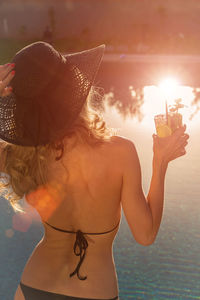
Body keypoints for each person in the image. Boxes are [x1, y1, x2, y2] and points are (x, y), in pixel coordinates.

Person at [0, 42, 189, 300]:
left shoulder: (24, 153)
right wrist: (160, 163)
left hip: (34, 286)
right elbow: (145, 235)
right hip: (95, 292)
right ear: (73, 89)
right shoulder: (121, 152)